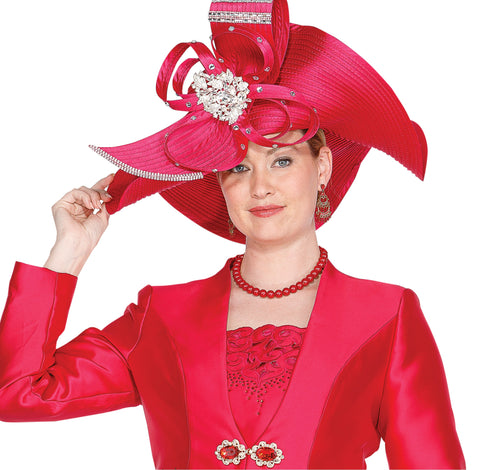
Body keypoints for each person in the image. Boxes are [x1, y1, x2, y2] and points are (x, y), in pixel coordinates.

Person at [0, 0, 467, 468]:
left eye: (281, 160)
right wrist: (69, 252)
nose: (260, 187)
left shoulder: (386, 316)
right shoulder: (162, 315)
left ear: (322, 166)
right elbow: (18, 394)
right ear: (220, 182)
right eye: (239, 167)